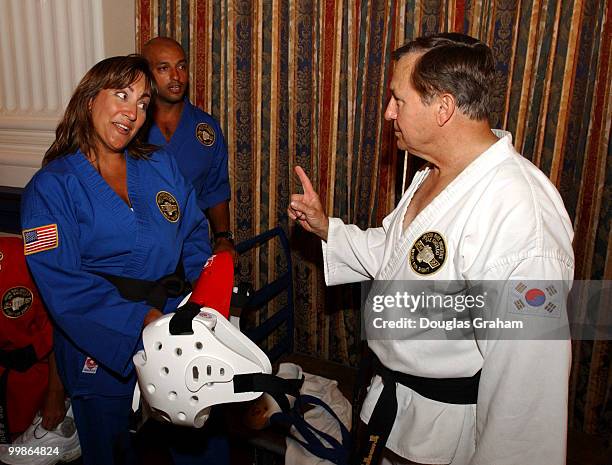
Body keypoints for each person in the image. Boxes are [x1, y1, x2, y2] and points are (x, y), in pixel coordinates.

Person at [288, 33, 574, 465]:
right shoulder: (437, 173)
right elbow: (396, 252)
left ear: (443, 107)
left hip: (443, 437)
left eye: (398, 100)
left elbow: (527, 392)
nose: (388, 113)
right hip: (392, 409)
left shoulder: (520, 219)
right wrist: (327, 227)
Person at [20, 55, 213, 465]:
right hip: (102, 346)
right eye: (122, 95)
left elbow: (195, 231)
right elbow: (63, 287)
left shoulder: (159, 164)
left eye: (143, 102)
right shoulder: (51, 188)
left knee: (199, 443)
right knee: (114, 452)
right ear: (90, 99)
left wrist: (204, 301)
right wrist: (140, 322)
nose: (133, 112)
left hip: (176, 329)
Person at [142, 37, 234, 257]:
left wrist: (223, 238)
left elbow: (215, 189)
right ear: (145, 74)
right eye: (164, 68)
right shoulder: (131, 127)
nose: (176, 76)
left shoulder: (205, 129)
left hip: (192, 248)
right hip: (140, 250)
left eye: (181, 66)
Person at [0, 236, 80, 465]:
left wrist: (55, 393)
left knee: (29, 452)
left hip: (38, 375)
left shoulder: (27, 256)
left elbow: (61, 324)